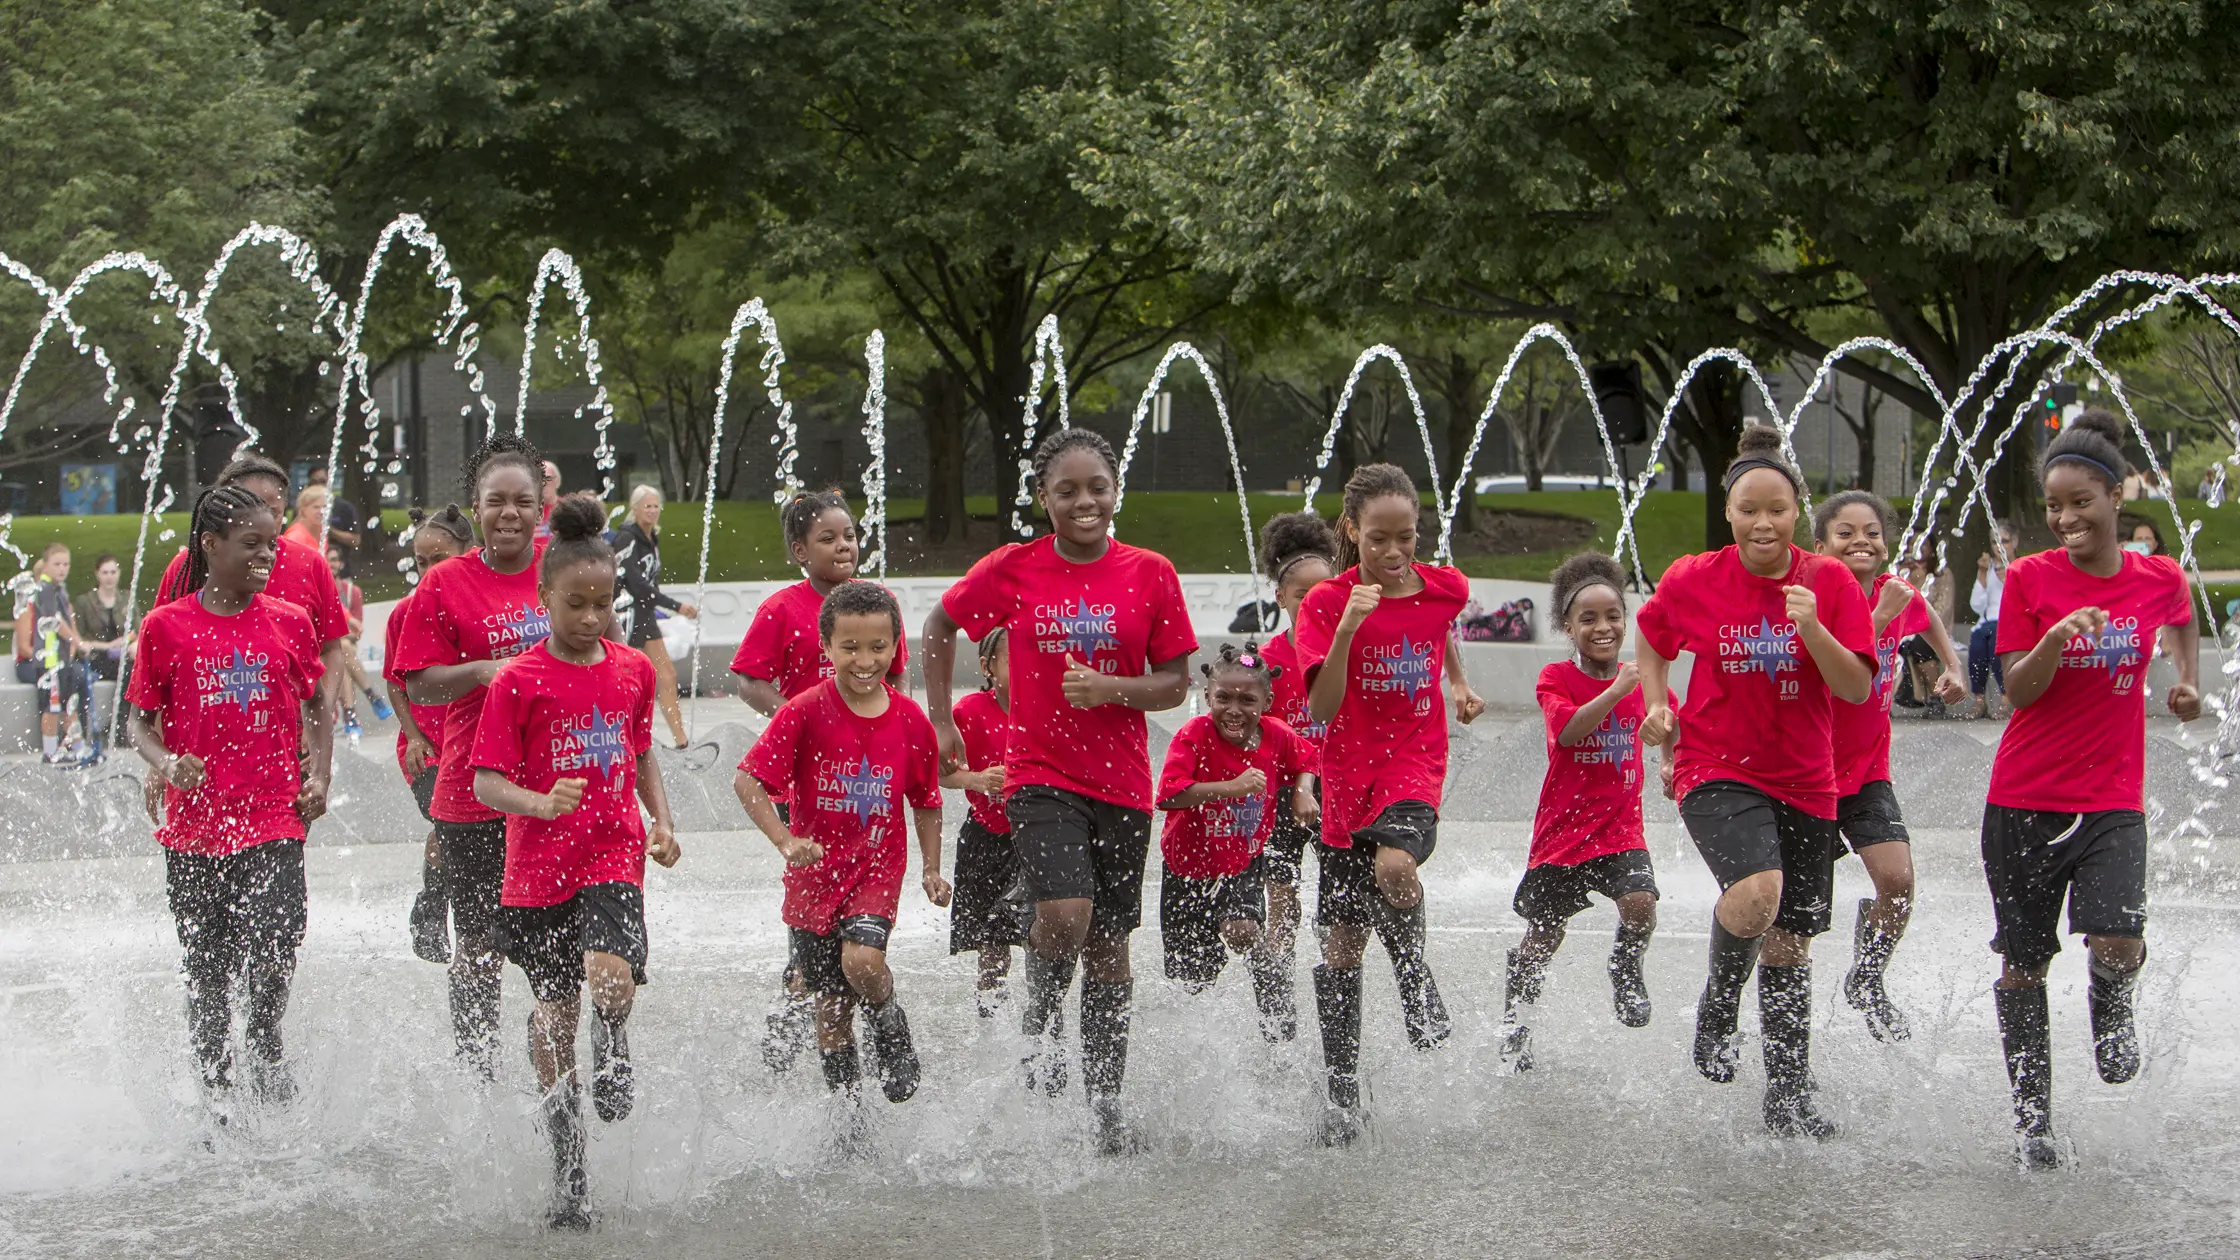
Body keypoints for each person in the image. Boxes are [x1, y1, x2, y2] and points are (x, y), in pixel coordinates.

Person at [923, 428, 1197, 1155]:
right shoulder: (1014, 569)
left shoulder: (1151, 573)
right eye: (1067, 490)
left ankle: (1105, 1106)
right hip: (1041, 776)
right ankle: (1038, 1035)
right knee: (1066, 914)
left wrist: (1111, 687)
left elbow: (1176, 683)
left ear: (1115, 492)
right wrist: (941, 717)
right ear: (1043, 498)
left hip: (1124, 787)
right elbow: (939, 624)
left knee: (1110, 948)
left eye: (1097, 488)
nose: (1084, 502)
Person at [1635, 425, 1875, 1140]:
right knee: (1755, 893)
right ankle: (1718, 1002)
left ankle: (1789, 1095)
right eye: (1748, 510)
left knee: (1791, 942)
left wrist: (1815, 632)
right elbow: (1652, 637)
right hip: (1715, 767)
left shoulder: (1828, 582)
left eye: (1776, 509)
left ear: (1797, 510)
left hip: (1806, 779)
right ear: (1729, 511)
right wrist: (1656, 703)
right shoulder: (1694, 577)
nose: (1762, 523)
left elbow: (1857, 687)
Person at [1982, 409, 2200, 1168]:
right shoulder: (2029, 578)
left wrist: (2186, 687)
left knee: (2118, 937)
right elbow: (2018, 691)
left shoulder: (2157, 576)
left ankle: (2111, 1008)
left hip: (2113, 799)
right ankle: (2032, 1117)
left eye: (2081, 501)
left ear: (2114, 496)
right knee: (2024, 963)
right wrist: (2049, 639)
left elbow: (2180, 624)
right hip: (2023, 800)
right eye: (2053, 505)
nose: (2065, 517)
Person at [472, 493, 680, 1229]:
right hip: (536, 871)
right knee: (553, 1016)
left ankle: (616, 1037)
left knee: (609, 976)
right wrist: (535, 801)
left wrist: (661, 820)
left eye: (603, 603)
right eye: (576, 604)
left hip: (613, 851)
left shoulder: (631, 671)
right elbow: (484, 780)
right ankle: (569, 1168)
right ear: (544, 596)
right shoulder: (517, 681)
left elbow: (641, 751)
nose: (591, 618)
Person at [1294, 463, 1486, 1146]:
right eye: (1380, 538)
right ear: (1352, 530)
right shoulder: (1323, 605)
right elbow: (1320, 707)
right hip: (1346, 776)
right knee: (1342, 946)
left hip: (1414, 762)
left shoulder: (1446, 586)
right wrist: (1346, 629)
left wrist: (1458, 683)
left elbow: (1442, 627)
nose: (1397, 552)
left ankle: (1413, 978)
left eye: (1408, 536)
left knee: (1396, 868)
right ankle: (1341, 1096)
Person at [127, 484, 333, 1111]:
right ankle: (215, 1086)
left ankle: (266, 1042)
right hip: (196, 828)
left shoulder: (290, 622)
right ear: (211, 545)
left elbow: (318, 700)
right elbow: (138, 721)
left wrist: (320, 774)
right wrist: (165, 762)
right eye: (251, 544)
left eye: (272, 543)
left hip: (274, 815)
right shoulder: (166, 626)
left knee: (276, 940)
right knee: (208, 966)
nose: (268, 555)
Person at [737, 582, 947, 1123]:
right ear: (826, 647)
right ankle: (849, 1118)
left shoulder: (910, 722)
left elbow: (925, 800)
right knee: (829, 1012)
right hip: (812, 879)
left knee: (863, 961)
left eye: (878, 647)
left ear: (895, 648)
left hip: (875, 869)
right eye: (849, 647)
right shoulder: (804, 711)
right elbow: (748, 781)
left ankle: (886, 1012)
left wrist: (930, 868)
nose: (865, 660)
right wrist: (785, 841)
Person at [393, 436, 554, 1077]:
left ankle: (552, 1059)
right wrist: (482, 670)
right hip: (471, 789)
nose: (509, 514)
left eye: (522, 501)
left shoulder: (561, 565)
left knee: (554, 949)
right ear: (476, 508)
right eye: (495, 502)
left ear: (543, 506)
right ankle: (477, 1074)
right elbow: (417, 680)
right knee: (481, 943)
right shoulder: (445, 582)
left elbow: (613, 648)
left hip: (554, 787)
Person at [732, 489, 907, 1069]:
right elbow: (749, 681)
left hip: (865, 782)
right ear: (798, 551)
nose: (844, 546)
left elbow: (898, 682)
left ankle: (828, 983)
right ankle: (802, 983)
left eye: (850, 535)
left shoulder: (879, 603)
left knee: (860, 888)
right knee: (812, 884)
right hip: (803, 784)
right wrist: (799, 722)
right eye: (828, 539)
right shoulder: (782, 609)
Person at [1501, 552, 1668, 1072]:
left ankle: (1624, 967)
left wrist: (1669, 758)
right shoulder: (1555, 678)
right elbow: (1568, 732)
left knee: (1640, 903)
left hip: (1620, 829)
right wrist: (1617, 690)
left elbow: (1671, 723)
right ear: (1567, 627)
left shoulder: (1644, 678)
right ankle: (1517, 1023)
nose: (1604, 627)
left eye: (1613, 616)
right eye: (1589, 619)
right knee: (1543, 937)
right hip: (1564, 834)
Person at [1814, 491, 1967, 1043]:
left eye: (1872, 532)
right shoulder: (1812, 600)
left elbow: (1927, 622)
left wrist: (1951, 668)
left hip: (1866, 773)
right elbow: (1834, 667)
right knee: (1790, 912)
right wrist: (1878, 617)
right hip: (1804, 777)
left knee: (1898, 882)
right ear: (1821, 546)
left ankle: (1868, 975)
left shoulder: (1895, 593)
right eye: (1846, 532)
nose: (1862, 541)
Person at [1154, 644, 1312, 1025]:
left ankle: (1271, 985)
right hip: (1185, 871)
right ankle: (1204, 1042)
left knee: (1241, 928)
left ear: (1267, 700)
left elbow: (1308, 758)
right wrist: (1231, 787)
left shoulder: (1278, 735)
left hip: (1241, 864)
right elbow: (1170, 795)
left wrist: (1303, 791)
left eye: (1248, 699)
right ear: (1207, 696)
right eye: (1223, 698)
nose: (1234, 710)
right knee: (1191, 979)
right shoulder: (1194, 735)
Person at [1249, 511, 1336, 1041]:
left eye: (1322, 592)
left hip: (1337, 791)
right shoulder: (1267, 662)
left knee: (1339, 899)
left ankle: (1333, 980)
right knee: (1281, 896)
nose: (1311, 601)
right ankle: (1277, 994)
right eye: (1300, 593)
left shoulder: (1345, 653)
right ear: (1281, 597)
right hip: (1282, 792)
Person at [390, 505, 475, 965]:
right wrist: (413, 737)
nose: (428, 570)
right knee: (445, 823)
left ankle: (442, 900)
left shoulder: (481, 605)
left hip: (476, 742)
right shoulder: (406, 612)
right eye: (421, 562)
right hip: (426, 747)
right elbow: (394, 681)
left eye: (439, 558)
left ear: (468, 552)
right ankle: (430, 905)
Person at [942, 627, 1026, 1018]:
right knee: (992, 943)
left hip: (1036, 838)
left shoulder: (1048, 709)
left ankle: (1042, 1016)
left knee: (1047, 931)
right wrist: (975, 779)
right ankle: (991, 1020)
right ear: (987, 666)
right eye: (1013, 659)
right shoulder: (969, 712)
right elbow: (937, 773)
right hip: (986, 838)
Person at [611, 484, 701, 749]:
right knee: (628, 679)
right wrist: (676, 606)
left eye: (655, 506)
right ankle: (623, 737)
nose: (652, 511)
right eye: (646, 506)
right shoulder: (626, 539)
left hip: (645, 614)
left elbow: (651, 582)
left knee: (667, 674)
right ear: (635, 509)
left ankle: (681, 741)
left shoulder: (651, 539)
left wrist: (662, 606)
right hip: (628, 614)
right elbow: (636, 584)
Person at [14, 543, 91, 761]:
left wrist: (74, 647)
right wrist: (77, 640)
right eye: (57, 564)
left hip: (61, 658)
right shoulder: (45, 588)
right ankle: (50, 751)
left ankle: (77, 746)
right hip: (49, 660)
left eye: (66, 564)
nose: (62, 569)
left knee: (68, 703)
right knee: (52, 706)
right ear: (45, 566)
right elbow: (55, 621)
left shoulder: (59, 589)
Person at [327, 544, 393, 740]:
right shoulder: (318, 588)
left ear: (340, 563)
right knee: (341, 652)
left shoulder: (352, 592)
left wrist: (341, 634)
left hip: (346, 643)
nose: (330, 564)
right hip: (328, 647)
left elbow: (357, 630)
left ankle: (350, 717)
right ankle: (372, 696)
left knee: (343, 649)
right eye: (327, 559)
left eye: (333, 560)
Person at [1967, 521, 2017, 717]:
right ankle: (1979, 699)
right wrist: (1981, 574)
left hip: (2010, 622)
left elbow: (2023, 602)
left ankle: (2007, 697)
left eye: (2004, 541)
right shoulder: (1988, 569)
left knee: (1997, 641)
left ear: (2014, 542)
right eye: (1995, 542)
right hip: (1988, 623)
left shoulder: (2020, 567)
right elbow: (1976, 605)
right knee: (1978, 643)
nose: (1999, 546)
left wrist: (2008, 581)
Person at [73, 552, 134, 685]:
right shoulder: (85, 602)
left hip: (123, 654)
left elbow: (139, 629)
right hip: (96, 656)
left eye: (113, 572)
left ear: (119, 573)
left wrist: (131, 642)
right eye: (105, 573)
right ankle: (123, 706)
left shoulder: (127, 599)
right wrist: (108, 646)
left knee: (141, 669)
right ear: (97, 574)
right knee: (127, 671)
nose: (109, 577)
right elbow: (79, 637)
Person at [306, 465, 360, 576]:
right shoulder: (304, 508)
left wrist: (330, 531)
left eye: (322, 481)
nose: (318, 485)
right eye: (314, 482)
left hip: (340, 573)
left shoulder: (344, 508)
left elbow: (356, 540)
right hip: (311, 572)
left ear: (328, 481)